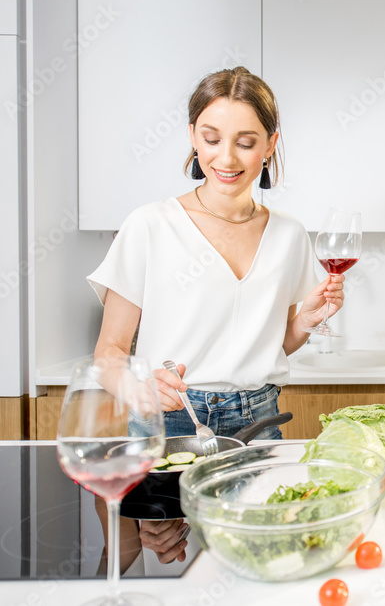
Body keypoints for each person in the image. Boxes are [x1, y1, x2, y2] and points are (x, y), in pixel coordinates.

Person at [88, 66, 343, 441]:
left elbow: (279, 344)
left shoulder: (288, 234)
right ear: (193, 136)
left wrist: (304, 322)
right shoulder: (150, 225)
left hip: (259, 420)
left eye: (245, 143)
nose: (226, 159)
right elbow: (108, 352)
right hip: (171, 417)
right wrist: (134, 386)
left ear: (270, 145)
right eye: (211, 139)